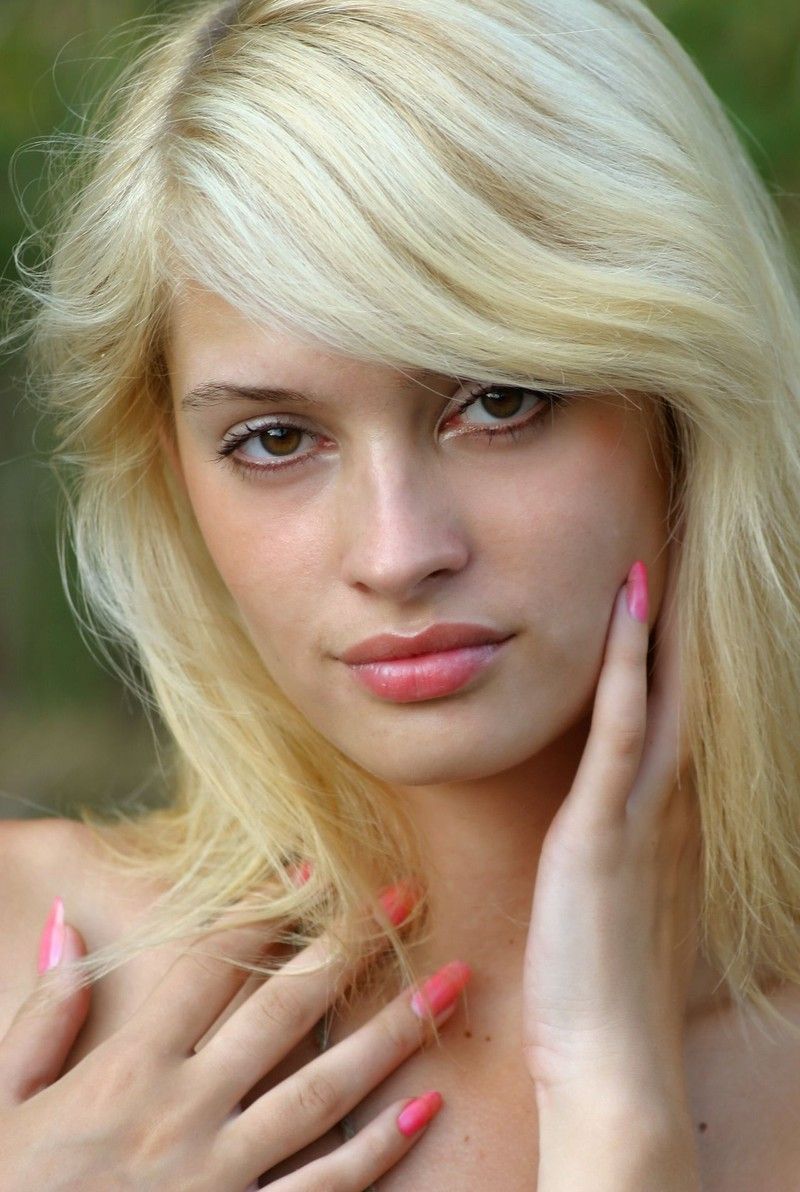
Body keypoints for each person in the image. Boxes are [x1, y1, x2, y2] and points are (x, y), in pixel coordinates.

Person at [1, 0, 799, 1186]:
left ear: (682, 416)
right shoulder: (28, 957)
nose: (396, 549)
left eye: (499, 400)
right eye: (274, 438)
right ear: (169, 475)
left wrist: (615, 1111)